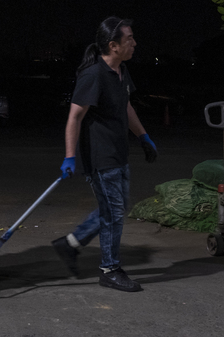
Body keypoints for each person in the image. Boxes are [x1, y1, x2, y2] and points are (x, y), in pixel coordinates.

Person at [51, 17, 157, 292]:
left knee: (116, 208)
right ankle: (110, 270)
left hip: (119, 152)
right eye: (129, 39)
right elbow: (74, 117)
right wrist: (70, 156)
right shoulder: (93, 75)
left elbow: (126, 106)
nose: (134, 43)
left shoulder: (120, 71)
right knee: (113, 213)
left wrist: (143, 136)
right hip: (100, 155)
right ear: (113, 45)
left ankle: (70, 244)